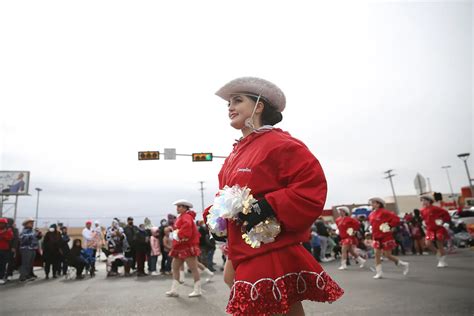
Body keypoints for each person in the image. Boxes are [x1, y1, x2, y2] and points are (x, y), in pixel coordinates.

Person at [205, 77, 344, 315]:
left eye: (237, 101)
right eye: (228, 103)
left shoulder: (280, 144)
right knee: (274, 303)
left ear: (258, 106)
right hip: (241, 246)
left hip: (268, 245)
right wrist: (215, 217)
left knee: (263, 306)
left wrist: (269, 205)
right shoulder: (237, 152)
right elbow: (226, 193)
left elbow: (311, 186)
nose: (230, 107)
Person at [166, 199, 202, 298]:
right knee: (175, 267)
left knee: (193, 268)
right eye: (177, 206)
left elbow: (187, 230)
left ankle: (197, 290)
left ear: (185, 208)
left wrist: (177, 234)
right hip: (179, 246)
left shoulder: (186, 217)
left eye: (179, 206)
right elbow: (180, 230)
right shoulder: (182, 217)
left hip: (186, 246)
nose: (177, 208)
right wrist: (175, 233)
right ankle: (174, 290)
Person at [368, 198, 409, 279]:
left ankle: (403, 264)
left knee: (387, 255)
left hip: (385, 236)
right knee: (377, 254)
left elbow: (396, 219)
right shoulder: (371, 214)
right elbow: (372, 224)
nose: (372, 204)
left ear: (379, 204)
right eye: (371, 203)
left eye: (373, 202)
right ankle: (379, 272)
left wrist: (389, 226)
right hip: (376, 236)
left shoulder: (385, 212)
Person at [420, 194, 451, 267]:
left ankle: (441, 261)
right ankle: (439, 254)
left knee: (439, 244)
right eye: (422, 200)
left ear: (429, 201)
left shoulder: (435, 208)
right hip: (430, 230)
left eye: (424, 200)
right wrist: (424, 223)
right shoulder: (422, 210)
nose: (423, 202)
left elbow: (446, 214)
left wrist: (444, 222)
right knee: (428, 244)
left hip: (438, 229)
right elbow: (424, 219)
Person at [0, 218, 13, 284]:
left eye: (3, 224)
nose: (1, 225)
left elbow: (10, 237)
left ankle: (1, 277)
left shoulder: (9, 230)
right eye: (0, 223)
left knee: (3, 264)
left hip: (5, 249)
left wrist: (3, 234)